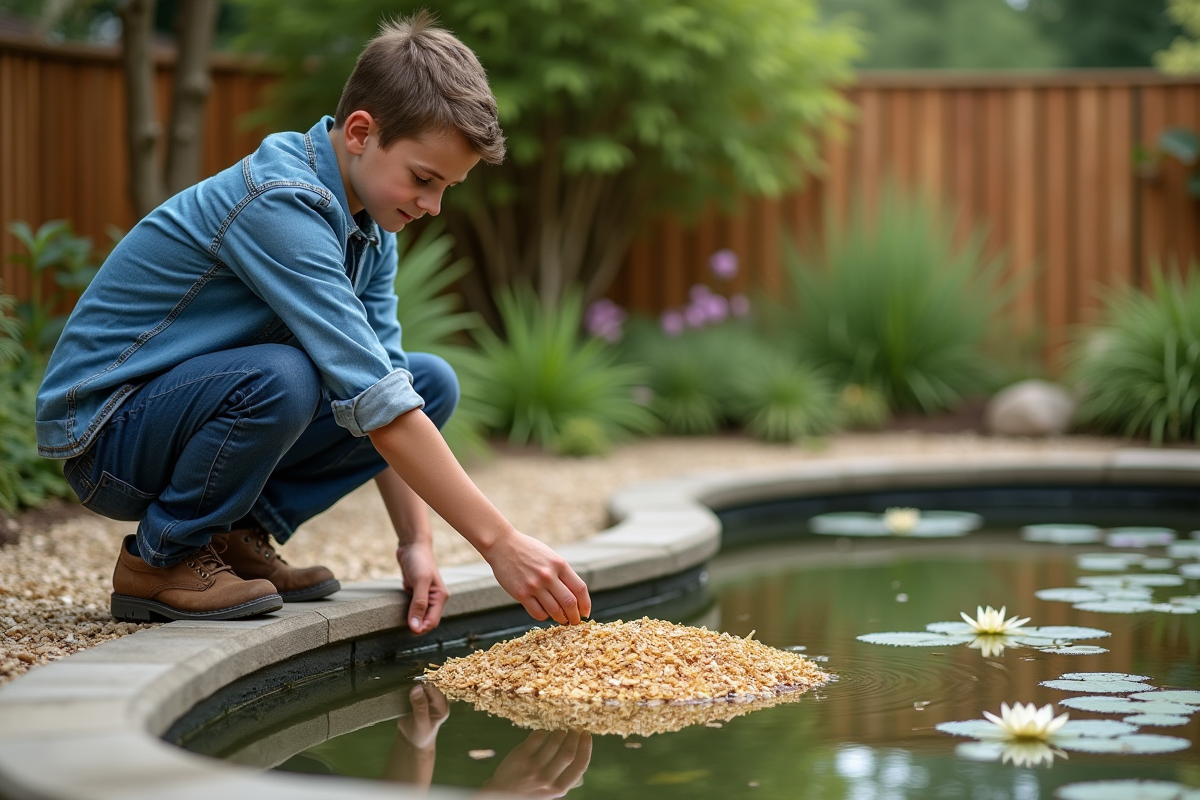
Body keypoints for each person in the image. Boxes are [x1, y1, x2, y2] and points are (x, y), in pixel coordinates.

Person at [35, 12, 591, 633]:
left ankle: (231, 535)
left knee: (429, 385)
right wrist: (500, 543)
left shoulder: (371, 232)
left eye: (446, 188)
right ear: (360, 131)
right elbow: (371, 401)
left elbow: (388, 383)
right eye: (423, 179)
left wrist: (417, 544)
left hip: (186, 417)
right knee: (287, 375)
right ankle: (162, 558)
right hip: (111, 433)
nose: (432, 206)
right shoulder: (280, 202)